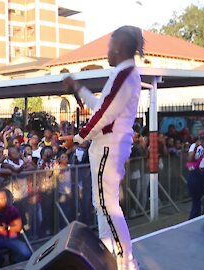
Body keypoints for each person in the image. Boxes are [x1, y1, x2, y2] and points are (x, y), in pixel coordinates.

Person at [64, 25, 144, 269]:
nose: (107, 50)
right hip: (110, 146)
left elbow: (105, 114)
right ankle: (110, 251)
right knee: (102, 204)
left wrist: (78, 138)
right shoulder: (124, 74)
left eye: (109, 45)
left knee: (107, 205)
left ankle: (126, 263)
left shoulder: (125, 74)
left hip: (109, 146)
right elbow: (102, 107)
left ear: (118, 47)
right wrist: (79, 88)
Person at [0, 189, 31, 268]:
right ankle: (0, 260)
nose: (4, 200)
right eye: (1, 198)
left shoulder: (12, 210)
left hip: (12, 238)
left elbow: (18, 227)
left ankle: (14, 259)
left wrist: (7, 227)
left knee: (26, 253)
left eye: (5, 198)